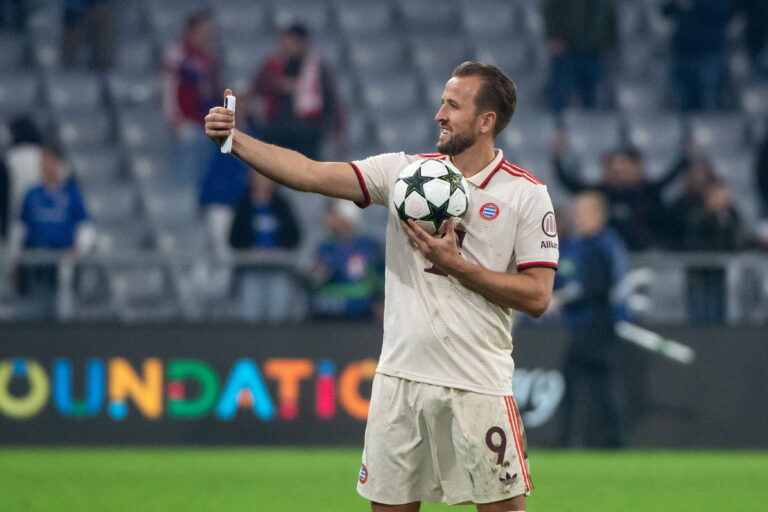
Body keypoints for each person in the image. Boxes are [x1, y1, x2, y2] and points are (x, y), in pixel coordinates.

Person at [206, 61, 559, 511]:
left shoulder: (525, 195)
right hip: (400, 380)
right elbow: (310, 174)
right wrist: (235, 140)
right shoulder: (403, 174)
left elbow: (538, 296)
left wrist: (458, 266)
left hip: (478, 384)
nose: (439, 114)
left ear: (486, 121)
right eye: (441, 102)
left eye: (452, 105)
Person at [549, 192, 629, 448]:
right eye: (577, 212)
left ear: (599, 215)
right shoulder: (572, 246)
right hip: (579, 326)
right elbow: (562, 280)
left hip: (596, 325)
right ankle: (609, 439)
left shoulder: (604, 246)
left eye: (584, 213)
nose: (578, 218)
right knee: (593, 383)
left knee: (592, 383)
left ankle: (577, 438)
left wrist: (562, 299)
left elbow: (597, 287)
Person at [552, 130, 687, 250]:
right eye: (615, 171)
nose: (620, 173)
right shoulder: (601, 192)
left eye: (624, 170)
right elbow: (571, 185)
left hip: (644, 252)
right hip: (606, 251)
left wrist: (685, 156)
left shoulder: (646, 191)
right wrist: (557, 159)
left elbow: (668, 179)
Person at [6, 144, 95, 318]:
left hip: (60, 263)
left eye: (47, 161)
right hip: (33, 260)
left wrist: (79, 249)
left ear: (58, 163)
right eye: (41, 162)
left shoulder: (71, 194)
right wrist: (15, 258)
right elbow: (20, 228)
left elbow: (85, 225)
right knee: (30, 310)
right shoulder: (32, 193)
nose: (43, 166)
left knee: (60, 309)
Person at [249, 23, 345, 160]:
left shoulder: (317, 67)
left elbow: (330, 98)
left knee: (309, 171)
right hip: (278, 128)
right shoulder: (273, 65)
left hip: (308, 130)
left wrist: (337, 126)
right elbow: (257, 87)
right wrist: (278, 85)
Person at [229, 172, 301, 323]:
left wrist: (282, 246)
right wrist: (248, 247)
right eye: (257, 178)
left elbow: (295, 236)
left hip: (278, 267)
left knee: (278, 314)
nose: (262, 182)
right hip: (251, 268)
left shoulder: (282, 205)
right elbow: (234, 238)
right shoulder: (244, 206)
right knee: (250, 314)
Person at [162, 9, 221, 184]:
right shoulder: (178, 54)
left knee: (206, 172)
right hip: (185, 121)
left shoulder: (209, 58)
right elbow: (169, 88)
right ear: (192, 31)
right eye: (203, 31)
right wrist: (174, 119)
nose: (207, 35)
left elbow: (212, 91)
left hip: (206, 123)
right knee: (186, 171)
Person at [309, 199, 384, 322]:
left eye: (335, 215)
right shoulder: (326, 246)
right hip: (332, 307)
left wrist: (378, 299)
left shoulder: (368, 244)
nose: (329, 219)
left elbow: (379, 275)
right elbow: (318, 277)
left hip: (364, 305)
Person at [542, 0, 617, 113]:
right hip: (566, 49)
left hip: (594, 51)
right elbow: (550, 10)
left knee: (591, 100)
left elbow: (610, 16)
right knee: (559, 98)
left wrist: (610, 43)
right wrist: (554, 36)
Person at [661, 0, 733, 111]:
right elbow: (666, 11)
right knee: (682, 104)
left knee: (708, 101)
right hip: (681, 54)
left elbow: (721, 12)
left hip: (708, 56)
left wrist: (693, 4)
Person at [61, 0, 115, 70]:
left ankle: (102, 65)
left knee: (104, 55)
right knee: (68, 57)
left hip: (101, 6)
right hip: (75, 11)